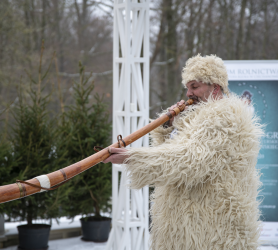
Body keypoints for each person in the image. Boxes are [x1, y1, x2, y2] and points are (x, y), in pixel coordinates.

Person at [103, 54, 264, 250]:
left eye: (194, 86)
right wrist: (167, 128)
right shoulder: (199, 116)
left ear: (215, 87)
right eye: (187, 87)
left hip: (211, 231)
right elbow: (172, 153)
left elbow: (190, 160)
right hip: (188, 227)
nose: (188, 93)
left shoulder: (225, 116)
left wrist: (134, 157)